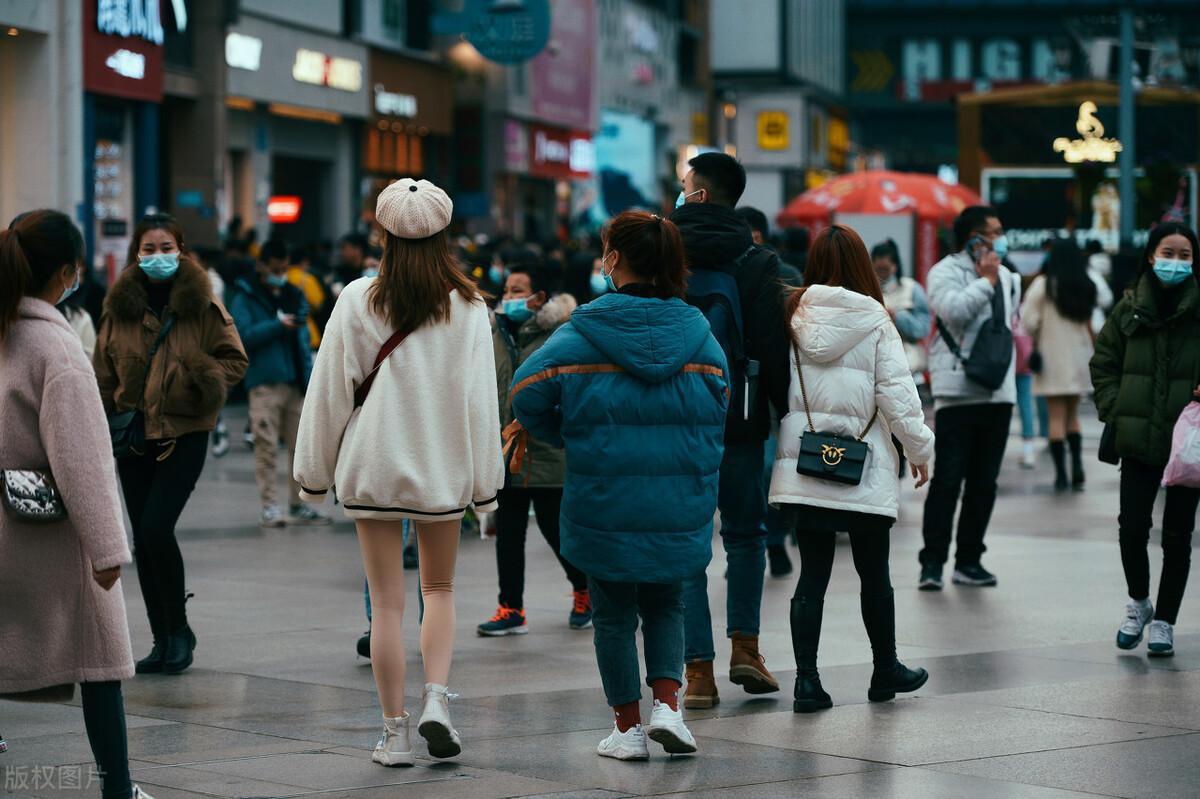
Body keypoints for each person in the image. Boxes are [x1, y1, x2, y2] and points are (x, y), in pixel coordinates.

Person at [294, 178, 504, 766]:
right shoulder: (469, 306)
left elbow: (329, 393)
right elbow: (481, 402)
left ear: (382, 234)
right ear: (445, 235)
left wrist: (313, 476)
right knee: (439, 590)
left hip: (374, 466)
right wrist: (485, 490)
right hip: (443, 467)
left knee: (386, 603)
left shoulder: (356, 298)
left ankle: (395, 734)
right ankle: (437, 698)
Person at [510, 210, 727, 760]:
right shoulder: (699, 335)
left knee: (612, 614)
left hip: (603, 497)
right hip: (678, 499)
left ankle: (628, 729)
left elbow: (524, 392)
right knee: (667, 603)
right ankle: (669, 708)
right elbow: (721, 402)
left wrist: (569, 434)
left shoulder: (582, 332)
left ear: (613, 259)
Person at [0, 209, 154, 799]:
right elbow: (82, 460)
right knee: (99, 658)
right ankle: (118, 786)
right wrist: (108, 548)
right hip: (43, 533)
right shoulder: (56, 348)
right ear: (67, 272)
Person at [770, 224, 935, 713]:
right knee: (874, 572)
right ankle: (885, 671)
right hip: (864, 464)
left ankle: (807, 682)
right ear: (863, 266)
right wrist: (920, 450)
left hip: (806, 462)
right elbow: (897, 395)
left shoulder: (791, 314)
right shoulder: (876, 319)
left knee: (812, 575)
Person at [94, 213, 248, 676]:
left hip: (184, 433)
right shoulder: (118, 307)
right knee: (143, 539)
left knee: (157, 528)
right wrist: (101, 420)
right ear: (136, 253)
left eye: (166, 248)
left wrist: (196, 378)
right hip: (133, 437)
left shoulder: (202, 304)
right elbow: (103, 372)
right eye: (149, 249)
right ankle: (161, 639)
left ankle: (179, 632)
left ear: (180, 250)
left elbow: (235, 360)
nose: (157, 256)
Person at [670, 152, 789, 708]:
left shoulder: (663, 251)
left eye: (684, 184)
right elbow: (770, 348)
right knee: (745, 535)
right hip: (739, 418)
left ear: (697, 194)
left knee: (688, 544)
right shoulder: (756, 258)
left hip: (674, 419)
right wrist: (781, 413)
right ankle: (746, 648)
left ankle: (697, 672)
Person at [1091, 222, 1200, 658]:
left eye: (1185, 255)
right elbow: (1104, 361)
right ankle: (1139, 601)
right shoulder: (1130, 306)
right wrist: (1116, 409)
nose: (1175, 262)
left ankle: (1165, 621)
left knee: (1178, 536)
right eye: (1168, 253)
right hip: (1136, 436)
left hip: (1187, 442)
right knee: (1132, 528)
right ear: (1152, 255)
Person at [477, 265, 591, 636]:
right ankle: (510, 608)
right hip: (507, 452)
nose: (510, 297)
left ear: (540, 296)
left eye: (519, 290)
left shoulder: (559, 334)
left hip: (547, 451)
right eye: (508, 290)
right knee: (508, 535)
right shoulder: (494, 333)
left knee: (556, 530)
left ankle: (585, 592)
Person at [919, 205, 1021, 591]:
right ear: (974, 238)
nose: (1001, 239)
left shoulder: (1009, 277)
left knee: (984, 483)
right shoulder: (944, 272)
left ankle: (969, 560)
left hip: (997, 392)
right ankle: (932, 563)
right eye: (994, 232)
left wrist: (995, 278)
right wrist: (986, 280)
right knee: (947, 481)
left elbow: (1005, 328)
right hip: (957, 392)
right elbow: (954, 313)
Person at [230, 239, 328, 528]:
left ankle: (299, 505)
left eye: (284, 269)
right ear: (261, 266)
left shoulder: (293, 294)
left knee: (301, 449)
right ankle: (270, 506)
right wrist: (277, 326)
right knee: (266, 447)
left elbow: (302, 339)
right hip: (264, 383)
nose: (280, 274)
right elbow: (242, 336)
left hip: (295, 382)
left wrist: (308, 380)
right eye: (275, 269)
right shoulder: (245, 297)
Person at [1020, 240, 1098, 491]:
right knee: (1073, 416)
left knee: (1056, 417)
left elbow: (1028, 320)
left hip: (1052, 357)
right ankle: (1077, 465)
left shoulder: (1044, 285)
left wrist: (1039, 333)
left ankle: (1061, 475)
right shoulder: (1085, 284)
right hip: (1079, 357)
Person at [872, 240, 930, 384]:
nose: (881, 274)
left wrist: (897, 318)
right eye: (877, 269)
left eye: (885, 269)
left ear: (895, 266)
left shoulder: (912, 288)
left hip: (910, 370)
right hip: (874, 371)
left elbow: (923, 329)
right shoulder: (864, 291)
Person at [286, 245, 328, 351]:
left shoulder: (283, 276)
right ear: (304, 262)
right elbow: (318, 305)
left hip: (283, 332)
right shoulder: (307, 279)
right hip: (307, 331)